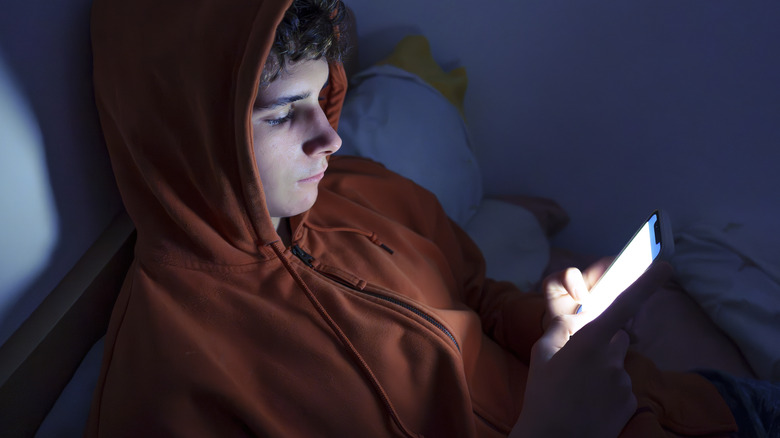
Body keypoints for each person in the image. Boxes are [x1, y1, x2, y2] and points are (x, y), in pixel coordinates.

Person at [86, 0, 775, 436]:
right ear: (186, 133)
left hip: (693, 407)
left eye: (320, 97)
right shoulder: (169, 383)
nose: (330, 139)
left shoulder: (359, 190)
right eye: (279, 114)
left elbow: (476, 294)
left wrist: (558, 324)